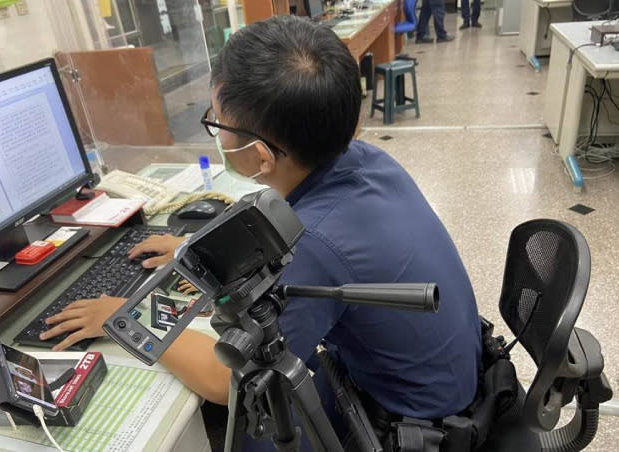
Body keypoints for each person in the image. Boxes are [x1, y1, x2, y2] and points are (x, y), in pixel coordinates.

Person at [40, 14, 482, 450]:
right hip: (445, 381)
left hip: (408, 424)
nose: (214, 131)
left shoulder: (315, 244)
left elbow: (222, 380)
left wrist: (120, 318)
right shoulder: (364, 160)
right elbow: (294, 234)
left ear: (261, 155)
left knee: (243, 425)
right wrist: (195, 249)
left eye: (216, 123)